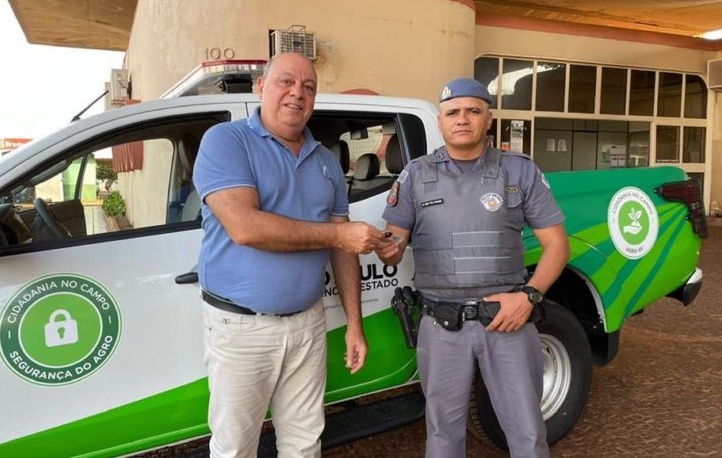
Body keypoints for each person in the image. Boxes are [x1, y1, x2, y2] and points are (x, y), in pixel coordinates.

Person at [193, 52, 384, 457]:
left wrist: (355, 324)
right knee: (234, 448)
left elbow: (342, 247)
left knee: (304, 443)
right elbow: (245, 227)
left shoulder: (328, 163)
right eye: (286, 82)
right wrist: (340, 234)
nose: (297, 93)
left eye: (309, 86)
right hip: (241, 327)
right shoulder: (227, 141)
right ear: (262, 86)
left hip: (307, 325)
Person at [375, 78, 570, 457]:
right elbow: (394, 247)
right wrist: (383, 246)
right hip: (441, 326)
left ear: (489, 119)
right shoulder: (416, 175)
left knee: (528, 434)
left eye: (472, 111)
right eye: (452, 112)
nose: (462, 119)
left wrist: (529, 297)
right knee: (443, 436)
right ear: (441, 121)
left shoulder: (519, 171)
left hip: (508, 321)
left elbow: (557, 246)